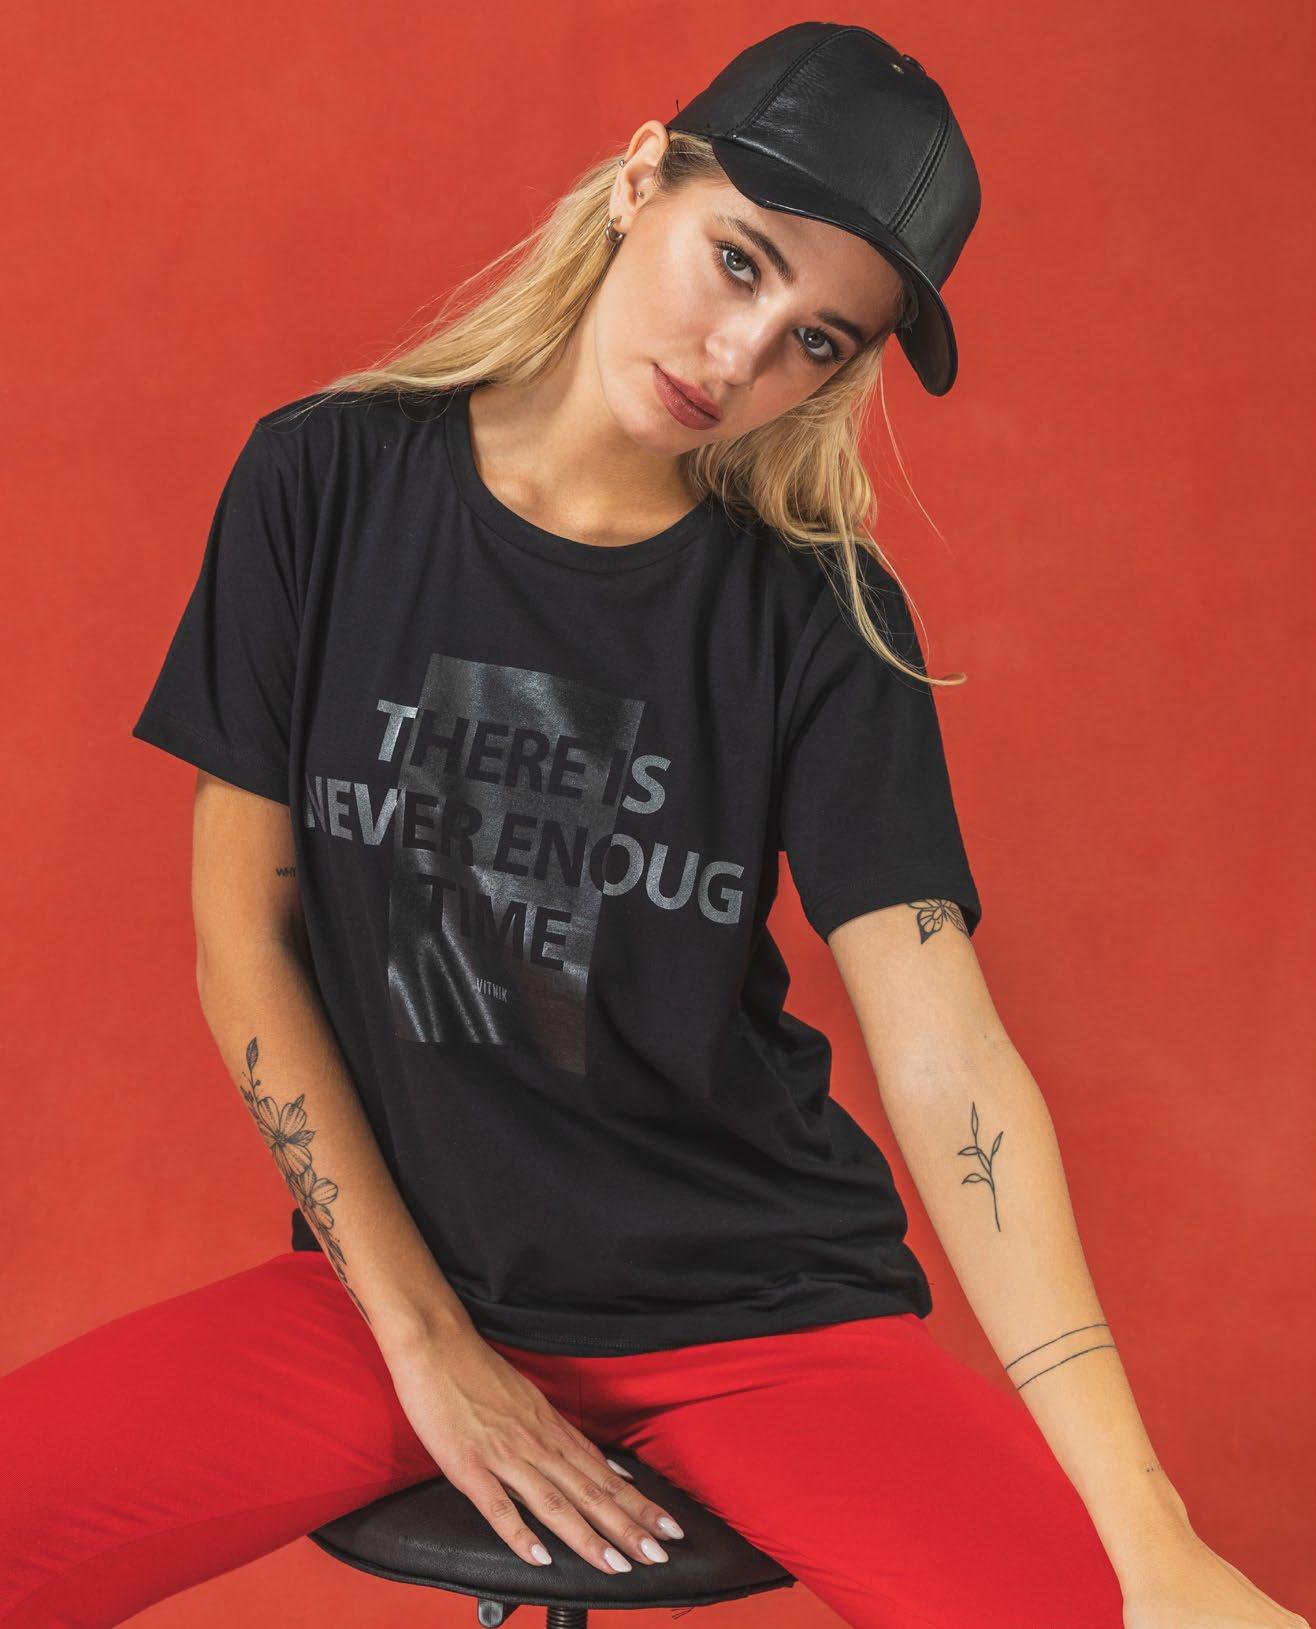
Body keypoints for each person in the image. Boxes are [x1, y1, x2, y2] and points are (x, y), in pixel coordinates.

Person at [1, 22, 1304, 1629]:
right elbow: (243, 942)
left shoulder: (818, 620)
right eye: (738, 259)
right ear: (640, 179)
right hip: (389, 1290)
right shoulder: (323, 486)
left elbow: (949, 1054)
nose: (743, 356)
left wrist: (1150, 1529)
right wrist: (428, 1343)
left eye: (817, 340)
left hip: (756, 1320)